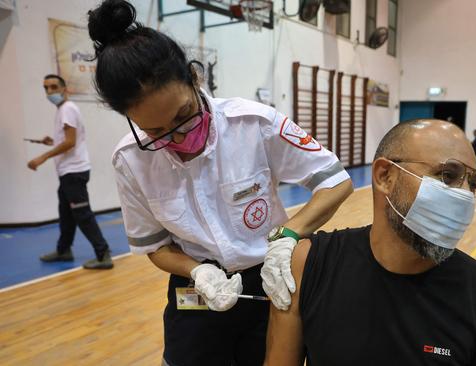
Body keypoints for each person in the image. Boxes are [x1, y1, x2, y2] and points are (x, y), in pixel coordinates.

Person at [87, 1, 353, 365]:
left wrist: (287, 237)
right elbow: (155, 245)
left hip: (269, 279)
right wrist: (196, 270)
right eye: (155, 131)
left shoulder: (254, 124)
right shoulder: (130, 159)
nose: (177, 139)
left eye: (183, 116)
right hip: (197, 286)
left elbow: (335, 182)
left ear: (195, 80)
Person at [265, 120, 476, 366]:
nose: (464, 194)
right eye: (447, 175)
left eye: (472, 183)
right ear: (385, 176)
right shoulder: (307, 264)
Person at [27, 74, 113, 270]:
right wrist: (51, 141)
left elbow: (70, 142)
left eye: (53, 87)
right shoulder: (63, 110)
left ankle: (103, 254)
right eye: (46, 88)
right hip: (68, 173)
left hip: (74, 172)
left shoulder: (67, 109)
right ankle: (64, 250)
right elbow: (67, 139)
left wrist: (43, 157)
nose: (49, 92)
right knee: (66, 214)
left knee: (82, 214)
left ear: (64, 89)